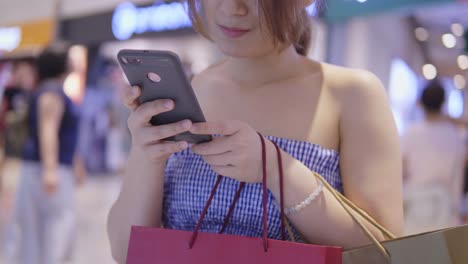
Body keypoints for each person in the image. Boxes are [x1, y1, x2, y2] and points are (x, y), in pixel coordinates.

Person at [107, 1, 403, 262]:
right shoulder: (190, 92)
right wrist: (147, 157)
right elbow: (126, 250)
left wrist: (277, 169)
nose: (232, 8)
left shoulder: (352, 94)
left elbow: (385, 253)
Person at [14, 43, 84, 264]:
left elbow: (59, 133)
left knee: (47, 232)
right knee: (51, 232)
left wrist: (75, 162)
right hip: (45, 170)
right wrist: (51, 170)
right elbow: (48, 130)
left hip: (47, 168)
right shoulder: (52, 92)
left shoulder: (51, 90)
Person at [402, 80, 466, 234]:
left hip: (415, 203)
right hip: (445, 205)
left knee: (413, 253)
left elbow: (401, 171)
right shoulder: (455, 135)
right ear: (443, 103)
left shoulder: (412, 132)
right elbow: (459, 174)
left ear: (420, 103)